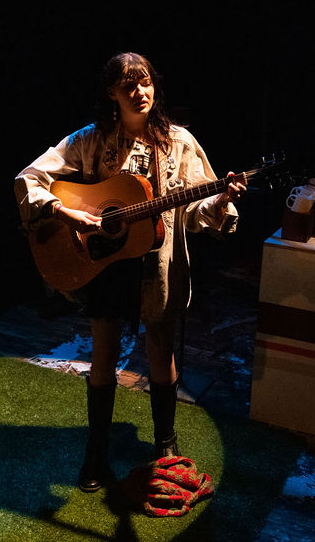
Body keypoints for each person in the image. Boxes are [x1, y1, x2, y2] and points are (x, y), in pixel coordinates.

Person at [14, 52, 245, 493]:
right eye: (128, 86)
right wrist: (67, 214)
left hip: (158, 263)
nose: (140, 93)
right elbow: (29, 178)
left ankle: (166, 446)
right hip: (104, 264)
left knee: (160, 349)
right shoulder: (90, 140)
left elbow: (195, 210)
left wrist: (219, 200)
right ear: (111, 93)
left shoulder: (178, 142)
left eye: (145, 83)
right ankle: (96, 454)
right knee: (103, 355)